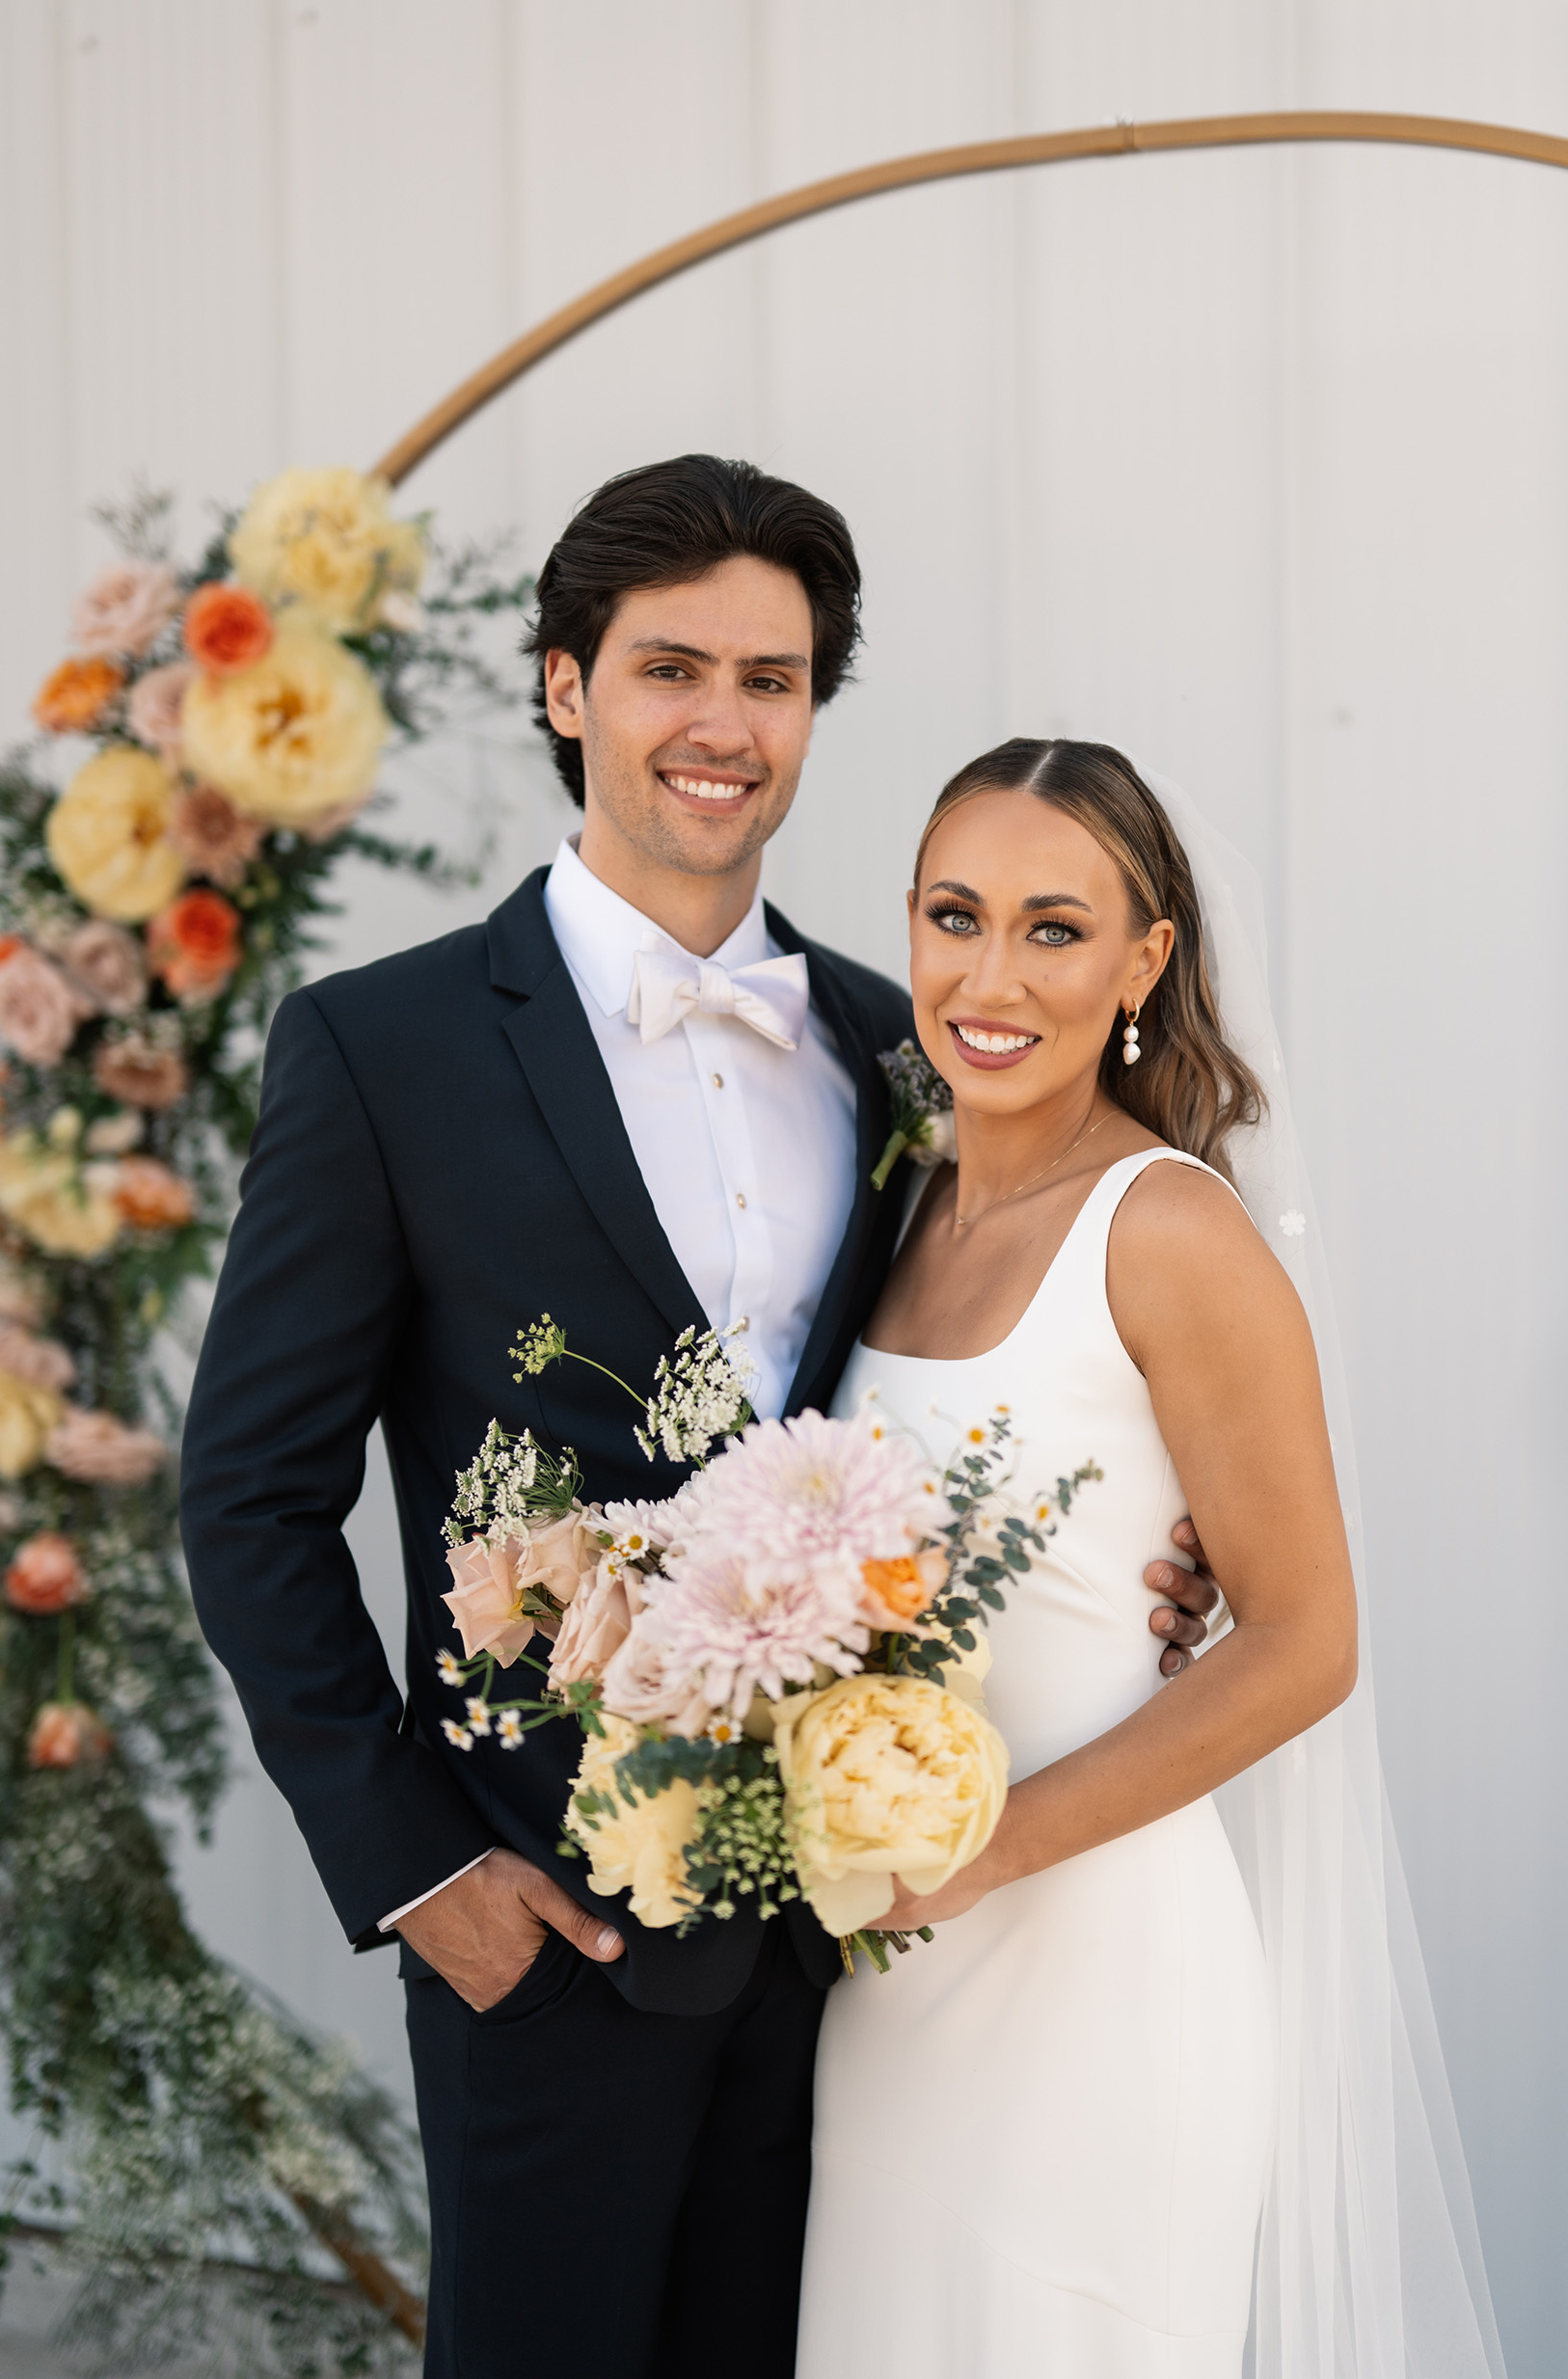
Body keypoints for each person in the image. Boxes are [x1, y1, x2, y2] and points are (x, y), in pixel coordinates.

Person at [177, 461, 1223, 2379]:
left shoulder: (901, 1044)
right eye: (671, 668)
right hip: (544, 1920)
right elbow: (246, 1493)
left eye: (774, 676)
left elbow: (1020, 1366)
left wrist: (1169, 1541)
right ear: (568, 684)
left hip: (868, 1930)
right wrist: (419, 1867)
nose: (724, 723)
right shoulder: (378, 1046)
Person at [796, 740, 1506, 2379]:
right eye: (952, 916)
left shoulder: (1169, 1229)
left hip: (1095, 1980)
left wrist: (987, 1850)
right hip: (890, 1987)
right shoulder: (906, 1207)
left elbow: (1307, 1640)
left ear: (1144, 961)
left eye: (1054, 929)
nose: (990, 976)